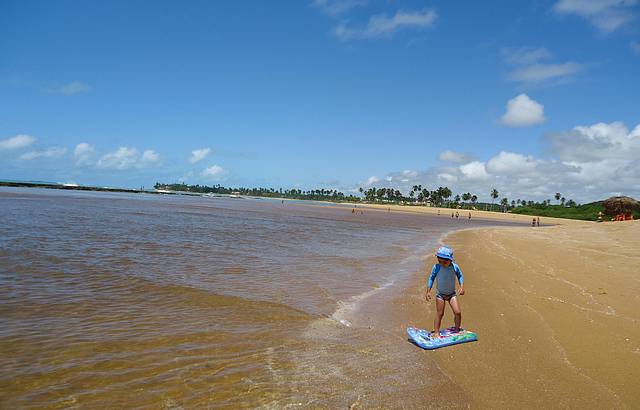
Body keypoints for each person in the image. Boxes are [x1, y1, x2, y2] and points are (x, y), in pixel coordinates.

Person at [426, 246, 465, 337]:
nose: (442, 264)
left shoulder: (455, 267)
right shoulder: (436, 267)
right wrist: (428, 291)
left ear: (451, 260)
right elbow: (431, 278)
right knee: (440, 313)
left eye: (445, 262)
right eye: (440, 261)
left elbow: (460, 276)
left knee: (457, 312)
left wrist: (462, 286)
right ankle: (436, 332)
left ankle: (457, 329)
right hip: (440, 295)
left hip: (452, 294)